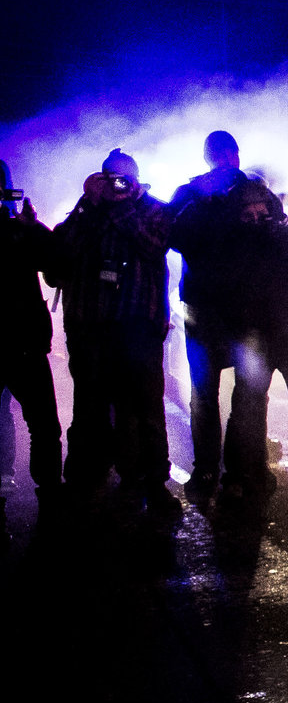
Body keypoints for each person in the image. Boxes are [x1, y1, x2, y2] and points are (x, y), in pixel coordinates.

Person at [175, 176, 288, 500]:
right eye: (246, 214)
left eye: (261, 213)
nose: (254, 220)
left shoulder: (285, 239)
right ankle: (244, 474)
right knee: (247, 411)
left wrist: (283, 235)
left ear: (271, 212)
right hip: (255, 343)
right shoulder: (228, 247)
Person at [44, 151, 181, 520]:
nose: (116, 185)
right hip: (90, 327)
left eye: (123, 180)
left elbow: (152, 245)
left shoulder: (155, 209)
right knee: (89, 409)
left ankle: (152, 482)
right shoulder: (88, 211)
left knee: (146, 409)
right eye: (109, 178)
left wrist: (119, 207)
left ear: (137, 181)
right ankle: (87, 481)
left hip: (138, 325)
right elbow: (58, 258)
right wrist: (89, 205)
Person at [167, 130, 261, 501]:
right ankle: (216, 470)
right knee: (214, 393)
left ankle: (225, 470)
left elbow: (272, 233)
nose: (227, 160)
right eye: (223, 154)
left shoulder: (250, 189)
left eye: (230, 154)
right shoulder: (192, 194)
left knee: (237, 393)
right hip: (212, 307)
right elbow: (172, 235)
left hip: (236, 306)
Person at [0, 159, 63, 510]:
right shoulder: (18, 231)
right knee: (42, 424)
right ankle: (50, 493)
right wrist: (32, 228)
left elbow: (58, 267)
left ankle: (50, 491)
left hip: (25, 340)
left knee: (41, 424)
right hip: (24, 340)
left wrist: (31, 228)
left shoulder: (19, 231)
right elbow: (58, 266)